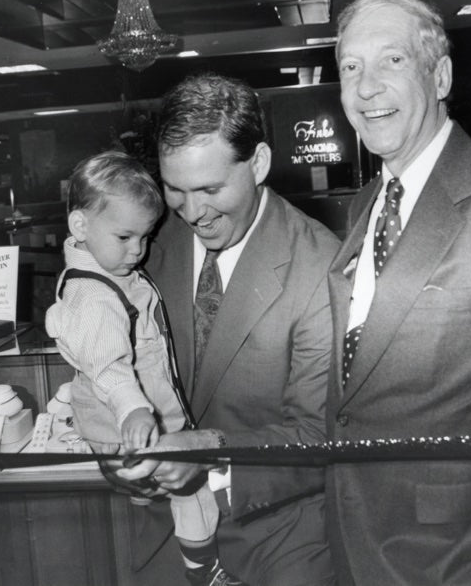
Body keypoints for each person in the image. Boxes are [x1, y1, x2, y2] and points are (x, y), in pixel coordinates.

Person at [326, 0, 471, 585]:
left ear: (438, 76)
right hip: (357, 544)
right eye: (350, 68)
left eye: (391, 61)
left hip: (467, 559)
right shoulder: (366, 204)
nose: (365, 89)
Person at [113, 73, 340, 586]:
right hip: (162, 537)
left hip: (278, 539)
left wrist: (207, 449)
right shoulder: (143, 243)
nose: (193, 213)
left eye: (211, 189)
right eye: (175, 189)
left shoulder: (321, 266)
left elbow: (316, 436)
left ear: (258, 163)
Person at [45, 152, 233, 586]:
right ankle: (203, 569)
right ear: (80, 226)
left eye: (145, 237)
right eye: (125, 237)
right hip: (131, 422)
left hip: (123, 427)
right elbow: (110, 367)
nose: (138, 250)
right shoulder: (95, 296)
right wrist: (133, 409)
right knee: (191, 490)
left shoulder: (102, 267)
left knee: (171, 490)